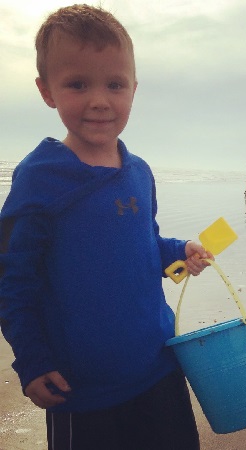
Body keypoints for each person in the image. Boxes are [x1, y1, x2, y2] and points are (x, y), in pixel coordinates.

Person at [0, 5, 212, 450]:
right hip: (81, 390)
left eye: (114, 84)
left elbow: (141, 248)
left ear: (133, 88)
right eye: (78, 84)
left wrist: (180, 249)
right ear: (46, 91)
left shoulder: (139, 172)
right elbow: (12, 281)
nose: (100, 99)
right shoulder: (40, 177)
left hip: (159, 367)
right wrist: (32, 362)